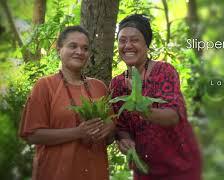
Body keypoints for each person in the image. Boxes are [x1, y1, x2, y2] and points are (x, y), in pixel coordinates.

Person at [110, 14, 202, 180]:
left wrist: (140, 105)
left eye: (134, 40)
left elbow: (173, 116)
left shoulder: (164, 72)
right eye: (122, 40)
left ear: (147, 45)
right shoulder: (117, 85)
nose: (127, 45)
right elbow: (121, 126)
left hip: (180, 167)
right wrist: (124, 140)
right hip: (145, 170)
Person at [19, 25, 115, 180]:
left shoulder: (99, 87)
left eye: (85, 48)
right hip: (55, 173)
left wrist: (110, 129)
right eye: (73, 46)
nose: (79, 52)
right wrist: (77, 133)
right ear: (59, 50)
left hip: (95, 173)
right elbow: (32, 135)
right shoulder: (44, 86)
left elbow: (110, 136)